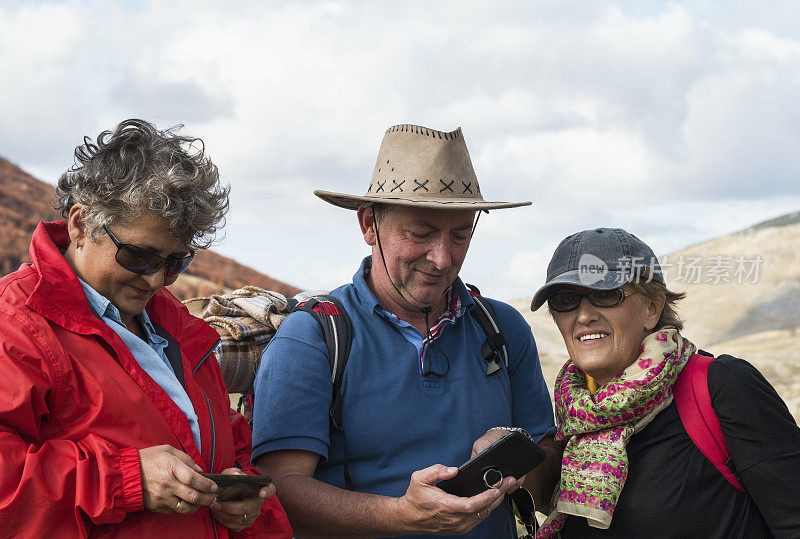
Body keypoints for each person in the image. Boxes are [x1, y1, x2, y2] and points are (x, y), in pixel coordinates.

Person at [252, 124, 561, 538]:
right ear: (368, 225)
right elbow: (279, 492)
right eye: (420, 233)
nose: (442, 257)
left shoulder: (504, 330)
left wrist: (514, 456)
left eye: (460, 235)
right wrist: (401, 515)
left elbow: (547, 488)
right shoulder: (312, 337)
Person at [0, 119, 291, 538]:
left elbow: (221, 434)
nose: (155, 279)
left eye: (176, 263)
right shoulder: (16, 326)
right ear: (81, 224)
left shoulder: (174, 323)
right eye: (139, 256)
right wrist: (125, 480)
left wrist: (243, 496)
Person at [529, 227, 800, 538]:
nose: (584, 315)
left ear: (652, 307)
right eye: (566, 300)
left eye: (605, 294)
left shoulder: (721, 386)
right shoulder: (572, 421)